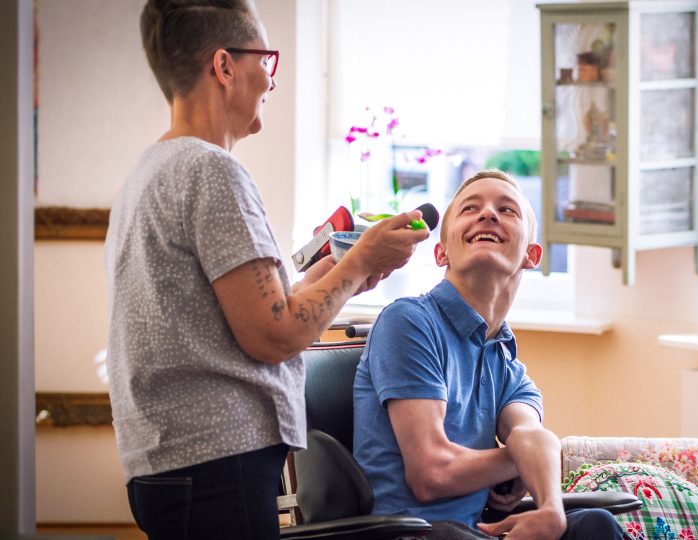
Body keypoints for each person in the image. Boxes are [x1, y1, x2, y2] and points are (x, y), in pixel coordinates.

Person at [104, 1, 430, 538]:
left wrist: (333, 276)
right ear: (225, 66)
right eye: (266, 60)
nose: (271, 82)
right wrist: (360, 260)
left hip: (167, 463)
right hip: (215, 464)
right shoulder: (213, 172)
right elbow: (275, 335)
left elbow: (240, 317)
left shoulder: (150, 171)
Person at [353, 170, 623, 539]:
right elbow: (431, 474)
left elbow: (532, 435)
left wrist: (550, 510)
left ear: (532, 255)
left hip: (475, 530)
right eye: (471, 208)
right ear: (440, 251)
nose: (488, 214)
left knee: (596, 524)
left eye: (507, 210)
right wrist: (521, 462)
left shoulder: (508, 366)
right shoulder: (408, 322)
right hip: (413, 533)